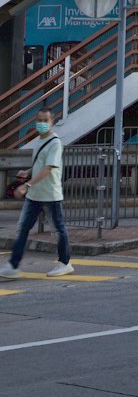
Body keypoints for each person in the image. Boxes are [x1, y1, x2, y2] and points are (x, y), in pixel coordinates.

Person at [1, 107, 73, 278]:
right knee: (22, 229)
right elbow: (41, 163)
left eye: (45, 121)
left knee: (59, 229)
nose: (41, 124)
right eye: (39, 120)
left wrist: (27, 185)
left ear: (51, 122)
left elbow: (49, 168)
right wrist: (28, 171)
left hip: (50, 194)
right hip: (35, 195)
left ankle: (65, 263)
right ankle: (13, 266)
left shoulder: (55, 142)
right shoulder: (39, 141)